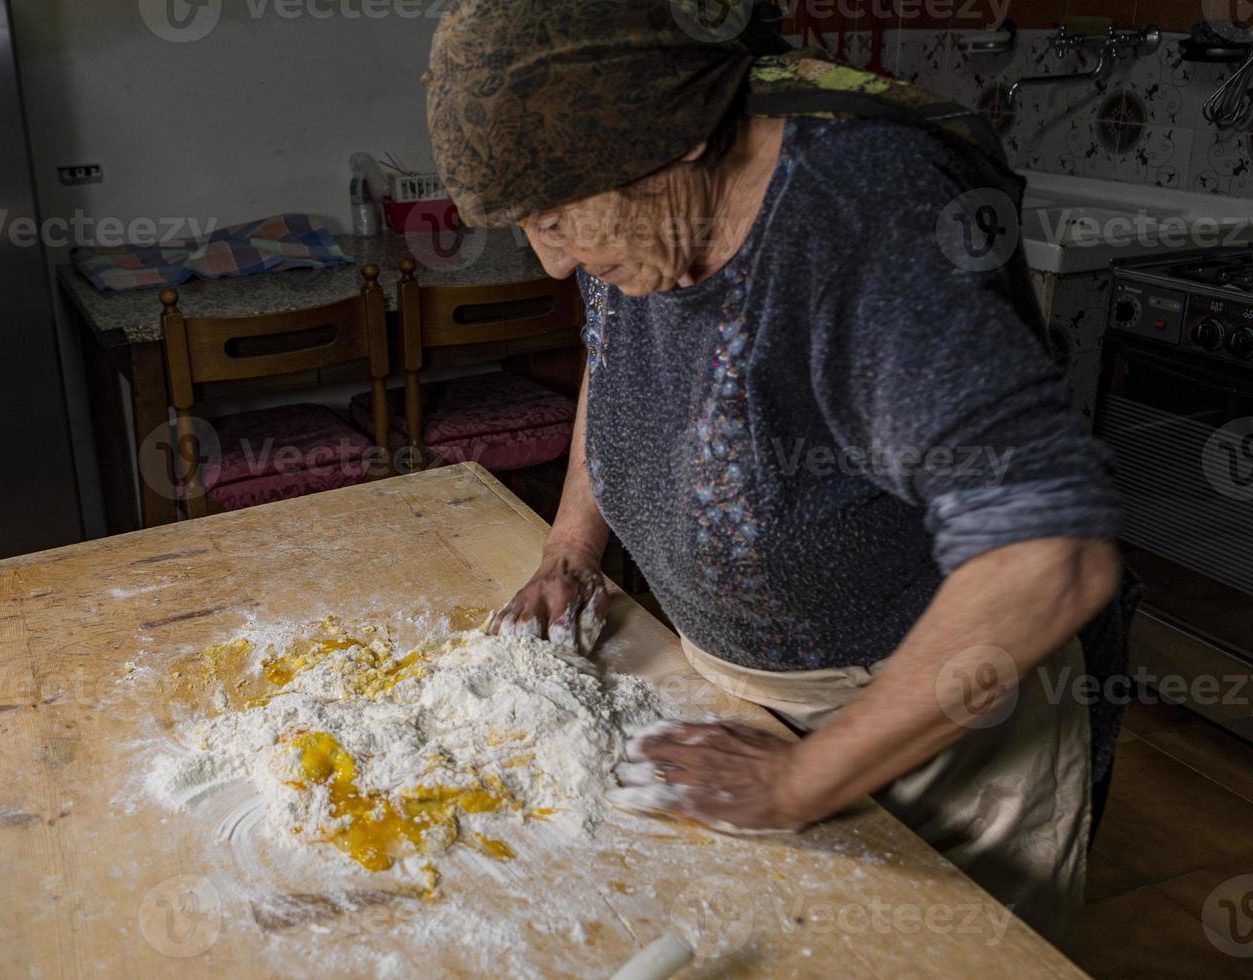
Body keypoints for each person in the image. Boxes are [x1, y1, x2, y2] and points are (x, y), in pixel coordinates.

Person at [424, 0, 1139, 949]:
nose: (553, 262)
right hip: (740, 692)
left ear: (674, 141)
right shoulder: (632, 193)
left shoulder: (863, 215)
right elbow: (618, 356)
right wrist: (569, 546)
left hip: (935, 722)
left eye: (555, 221)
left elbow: (1046, 558)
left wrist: (799, 782)